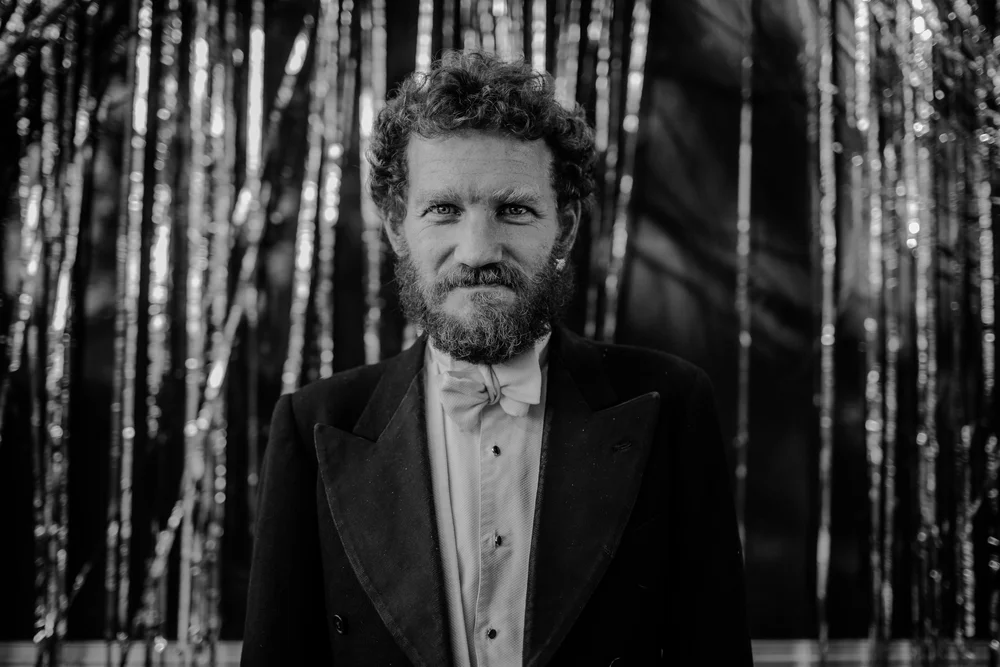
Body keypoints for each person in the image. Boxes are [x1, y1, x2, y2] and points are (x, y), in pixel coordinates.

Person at [242, 51, 752, 666]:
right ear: (398, 228)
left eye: (513, 209)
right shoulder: (313, 425)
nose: (477, 249)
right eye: (443, 210)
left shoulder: (672, 404)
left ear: (563, 230)